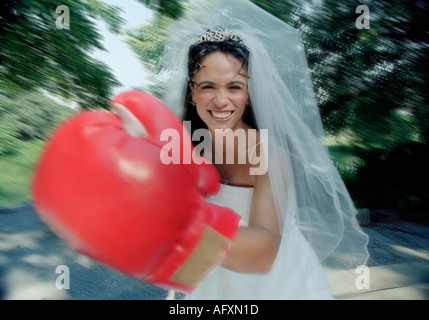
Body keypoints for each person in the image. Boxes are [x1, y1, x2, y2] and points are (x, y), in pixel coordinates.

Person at [161, 0, 369, 300]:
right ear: (192, 92)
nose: (221, 101)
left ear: (249, 91)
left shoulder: (266, 152)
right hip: (214, 278)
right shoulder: (185, 145)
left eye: (234, 86)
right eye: (208, 86)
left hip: (276, 283)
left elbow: (264, 252)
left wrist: (172, 227)